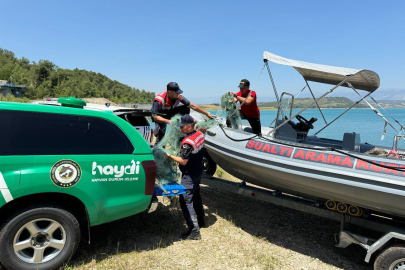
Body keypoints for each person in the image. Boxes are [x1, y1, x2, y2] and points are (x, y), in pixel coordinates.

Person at [165, 114, 205, 240]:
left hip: (190, 174)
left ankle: (194, 231)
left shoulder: (187, 143)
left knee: (185, 200)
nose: (180, 129)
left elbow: (183, 161)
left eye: (182, 127)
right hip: (199, 170)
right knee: (196, 195)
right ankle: (201, 220)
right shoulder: (199, 134)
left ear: (188, 126)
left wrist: (169, 155)